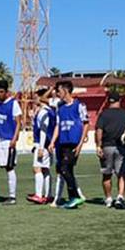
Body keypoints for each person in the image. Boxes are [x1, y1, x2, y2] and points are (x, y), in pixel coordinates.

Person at [50, 80, 89, 209]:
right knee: (66, 170)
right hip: (62, 143)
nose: (57, 93)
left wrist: (80, 145)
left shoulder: (79, 105)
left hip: (73, 143)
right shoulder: (59, 107)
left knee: (64, 168)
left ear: (66, 91)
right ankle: (74, 199)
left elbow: (86, 124)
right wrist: (52, 142)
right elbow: (58, 125)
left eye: (59, 91)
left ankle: (75, 196)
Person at [95, 91, 125, 208]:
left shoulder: (104, 114)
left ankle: (109, 198)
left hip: (107, 146)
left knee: (107, 174)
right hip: (122, 147)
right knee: (122, 174)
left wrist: (98, 145)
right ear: (119, 100)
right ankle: (120, 197)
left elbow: (99, 131)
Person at [28, 87, 56, 205]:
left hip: (43, 144)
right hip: (48, 144)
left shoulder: (43, 112)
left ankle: (39, 195)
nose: (34, 100)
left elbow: (43, 130)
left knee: (37, 168)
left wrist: (40, 147)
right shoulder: (50, 111)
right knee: (45, 169)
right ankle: (48, 194)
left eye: (36, 98)